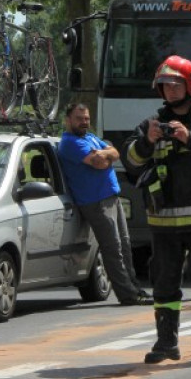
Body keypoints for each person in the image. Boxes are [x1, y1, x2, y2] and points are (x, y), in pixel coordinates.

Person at [123, 55, 191, 364]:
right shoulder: (151, 124)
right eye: (165, 86)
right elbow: (130, 161)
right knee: (164, 281)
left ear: (190, 85)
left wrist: (190, 138)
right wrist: (147, 142)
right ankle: (166, 343)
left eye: (176, 85)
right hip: (165, 222)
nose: (170, 91)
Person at [57, 103, 152, 306]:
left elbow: (116, 153)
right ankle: (127, 295)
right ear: (68, 120)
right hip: (95, 201)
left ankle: (135, 288)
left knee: (125, 245)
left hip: (112, 197)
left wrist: (105, 154)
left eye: (86, 118)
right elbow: (100, 163)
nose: (84, 122)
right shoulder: (70, 143)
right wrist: (105, 155)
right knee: (113, 248)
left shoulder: (90, 137)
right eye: (79, 118)